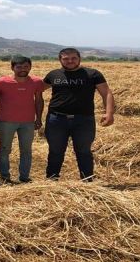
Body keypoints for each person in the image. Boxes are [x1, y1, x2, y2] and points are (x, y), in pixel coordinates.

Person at [43, 47, 115, 181]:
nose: (70, 61)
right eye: (66, 59)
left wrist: (109, 113)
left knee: (83, 151)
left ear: (79, 59)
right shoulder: (53, 74)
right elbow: (36, 89)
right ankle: (52, 180)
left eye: (73, 58)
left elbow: (107, 93)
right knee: (55, 151)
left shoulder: (93, 74)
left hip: (84, 120)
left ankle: (87, 180)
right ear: (60, 60)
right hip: (57, 119)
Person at [0, 56, 44, 183]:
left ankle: (24, 176)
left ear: (30, 67)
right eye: (19, 67)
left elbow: (39, 100)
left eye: (26, 67)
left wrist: (38, 118)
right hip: (6, 121)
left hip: (28, 122)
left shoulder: (37, 82)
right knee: (5, 149)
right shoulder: (1, 82)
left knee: (26, 150)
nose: (23, 69)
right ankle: (5, 176)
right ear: (12, 68)